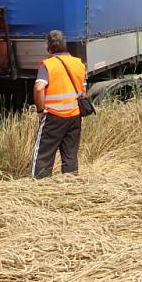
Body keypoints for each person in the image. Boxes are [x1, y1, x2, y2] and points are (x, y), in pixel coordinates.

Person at [32, 30, 86, 179]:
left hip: (53, 117)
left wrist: (40, 110)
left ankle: (42, 187)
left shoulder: (47, 65)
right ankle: (70, 184)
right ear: (65, 44)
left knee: (43, 154)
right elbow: (83, 91)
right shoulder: (78, 63)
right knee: (70, 154)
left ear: (48, 46)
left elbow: (38, 88)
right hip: (74, 116)